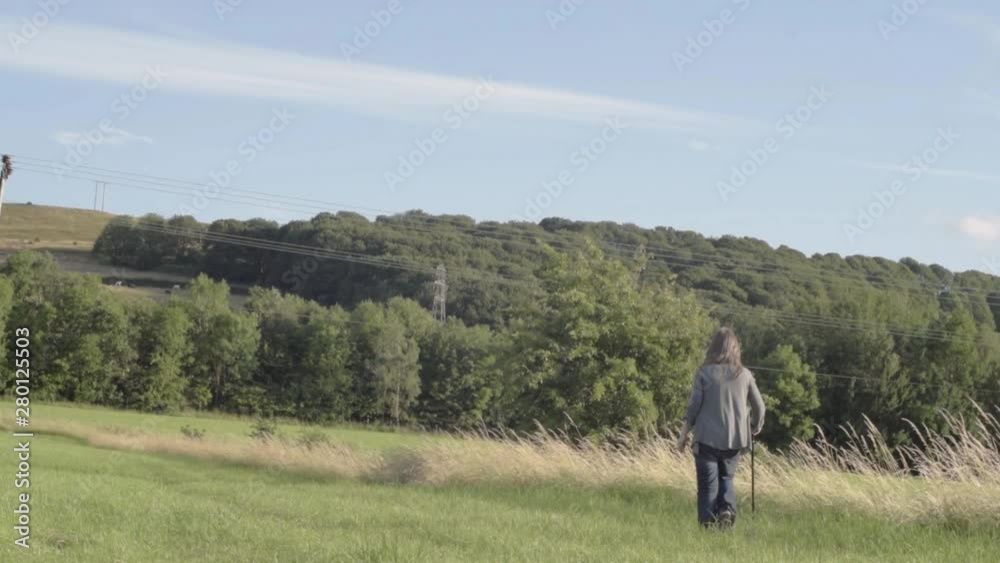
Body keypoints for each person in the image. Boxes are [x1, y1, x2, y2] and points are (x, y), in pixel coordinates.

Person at [676, 327, 765, 528]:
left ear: (713, 348)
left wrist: (683, 435)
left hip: (706, 438)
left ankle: (707, 526)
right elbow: (760, 407)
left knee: (707, 485)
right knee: (726, 477)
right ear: (735, 348)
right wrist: (755, 426)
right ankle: (726, 510)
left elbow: (693, 407)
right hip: (734, 438)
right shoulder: (745, 375)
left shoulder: (703, 373)